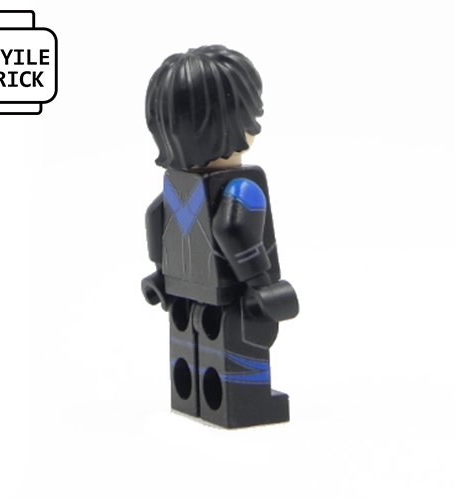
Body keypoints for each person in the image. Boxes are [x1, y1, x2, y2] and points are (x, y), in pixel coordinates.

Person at [142, 45, 299, 428]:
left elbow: (155, 218)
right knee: (241, 350)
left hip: (182, 288)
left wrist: (160, 272)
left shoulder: (178, 186)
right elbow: (233, 229)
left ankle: (193, 398)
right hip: (233, 295)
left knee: (190, 349)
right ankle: (244, 403)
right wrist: (261, 285)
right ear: (235, 120)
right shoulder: (242, 187)